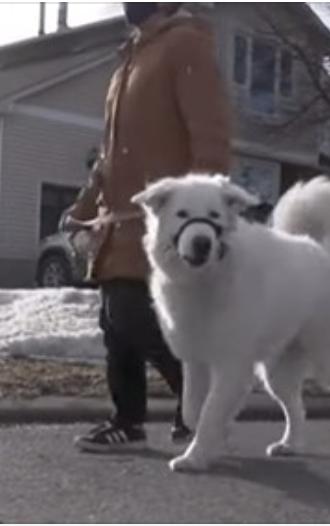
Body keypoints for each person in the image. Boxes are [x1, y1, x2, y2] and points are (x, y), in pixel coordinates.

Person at [63, 2, 233, 452]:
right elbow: (109, 159)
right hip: (117, 223)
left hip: (165, 222)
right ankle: (129, 422)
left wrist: (201, 215)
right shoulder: (129, 61)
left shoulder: (185, 45)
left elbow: (211, 138)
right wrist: (81, 207)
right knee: (115, 325)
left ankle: (202, 400)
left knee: (131, 315)